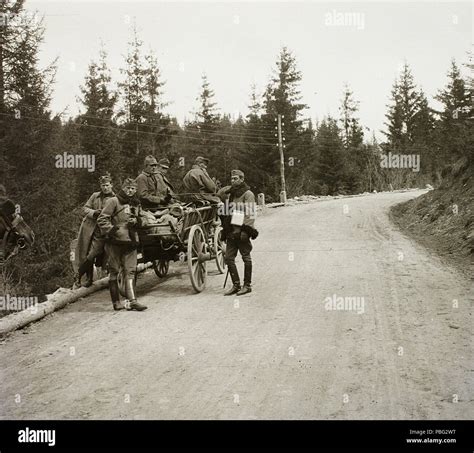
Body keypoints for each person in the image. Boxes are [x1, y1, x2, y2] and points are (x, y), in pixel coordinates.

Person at [97, 178, 147, 311]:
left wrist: (136, 221)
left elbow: (143, 219)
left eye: (132, 189)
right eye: (127, 188)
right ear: (123, 188)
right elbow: (102, 219)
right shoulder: (113, 201)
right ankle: (116, 302)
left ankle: (133, 301)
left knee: (130, 270)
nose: (130, 191)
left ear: (135, 190)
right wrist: (113, 230)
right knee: (114, 271)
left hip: (130, 240)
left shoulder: (136, 203)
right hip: (115, 242)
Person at [218, 170, 258, 296]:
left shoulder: (248, 194)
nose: (232, 181)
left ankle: (247, 285)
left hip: (241, 231)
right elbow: (226, 211)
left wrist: (246, 231)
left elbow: (250, 214)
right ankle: (236, 285)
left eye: (235, 178)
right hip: (231, 231)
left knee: (246, 257)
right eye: (231, 179)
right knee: (229, 258)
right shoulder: (231, 194)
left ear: (242, 179)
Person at [73, 174, 115, 289]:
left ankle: (78, 275)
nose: (105, 188)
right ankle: (89, 279)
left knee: (93, 254)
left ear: (111, 185)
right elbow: (84, 208)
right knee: (84, 253)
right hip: (88, 228)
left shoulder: (114, 199)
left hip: (102, 231)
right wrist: (94, 212)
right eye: (103, 185)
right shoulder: (95, 196)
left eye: (107, 185)